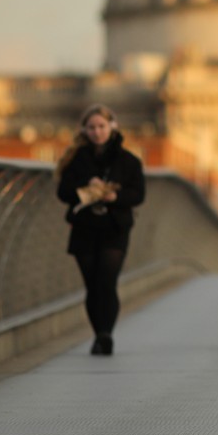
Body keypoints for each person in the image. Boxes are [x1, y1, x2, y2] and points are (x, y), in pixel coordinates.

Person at [56, 104, 145, 356]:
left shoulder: (128, 161)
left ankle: (105, 335)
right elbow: (63, 192)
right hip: (84, 226)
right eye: (92, 127)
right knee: (92, 285)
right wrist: (87, 187)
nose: (97, 132)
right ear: (85, 129)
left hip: (114, 227)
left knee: (107, 281)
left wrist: (114, 196)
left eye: (101, 127)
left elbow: (138, 194)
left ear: (112, 127)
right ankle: (99, 334)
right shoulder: (75, 160)